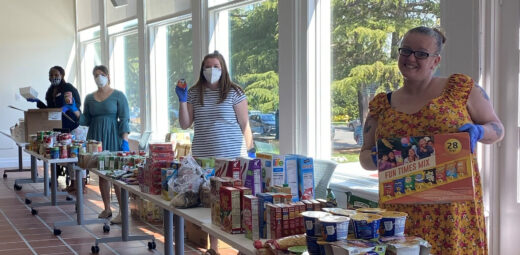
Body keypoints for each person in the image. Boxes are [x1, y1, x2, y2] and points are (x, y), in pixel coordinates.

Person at [359, 26, 504, 254]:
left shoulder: (461, 89)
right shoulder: (381, 105)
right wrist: (378, 158)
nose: (411, 58)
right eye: (405, 51)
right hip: (400, 213)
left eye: (421, 53)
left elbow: (497, 128)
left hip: (451, 211)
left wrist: (479, 132)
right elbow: (364, 156)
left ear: (436, 61)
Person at [176, 51, 254, 252]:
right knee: (212, 203)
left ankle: (242, 245)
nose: (212, 70)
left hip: (230, 156)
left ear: (223, 68)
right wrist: (182, 100)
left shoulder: (235, 92)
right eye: (208, 66)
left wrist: (251, 152)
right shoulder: (194, 92)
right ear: (202, 69)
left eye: (216, 66)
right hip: (204, 157)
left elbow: (245, 124)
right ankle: (214, 247)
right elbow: (185, 124)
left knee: (237, 201)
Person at [80, 65, 130, 224]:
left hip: (113, 137)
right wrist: (73, 110)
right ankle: (107, 208)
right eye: (95, 75)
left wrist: (125, 140)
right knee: (101, 174)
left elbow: (124, 118)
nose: (98, 77)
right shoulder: (89, 98)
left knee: (116, 176)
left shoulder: (118, 96)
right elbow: (85, 120)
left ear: (108, 76)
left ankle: (123, 212)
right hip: (95, 139)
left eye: (101, 74)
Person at [27, 66, 83, 192]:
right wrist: (38, 101)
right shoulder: (50, 90)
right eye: (51, 75)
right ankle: (56, 179)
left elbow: (77, 104)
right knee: (57, 155)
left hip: (71, 125)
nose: (53, 77)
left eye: (56, 74)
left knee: (72, 157)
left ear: (62, 75)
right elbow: (48, 109)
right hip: (58, 127)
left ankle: (77, 185)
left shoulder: (68, 87)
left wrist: (68, 107)